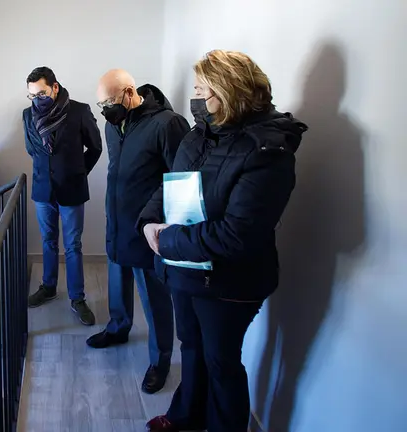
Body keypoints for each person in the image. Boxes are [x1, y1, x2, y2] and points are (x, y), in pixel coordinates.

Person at [139, 50, 308, 432]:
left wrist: (167, 243)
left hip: (230, 281)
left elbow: (238, 234)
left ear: (230, 91)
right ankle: (186, 415)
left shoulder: (269, 149)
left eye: (202, 88)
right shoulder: (200, 133)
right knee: (192, 348)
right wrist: (150, 220)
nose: (195, 97)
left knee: (221, 362)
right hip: (186, 268)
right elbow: (173, 182)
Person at [87, 70, 190, 394]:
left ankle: (160, 361)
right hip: (117, 220)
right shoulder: (111, 126)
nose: (105, 109)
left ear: (130, 93)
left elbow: (179, 179)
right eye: (101, 103)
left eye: (110, 102)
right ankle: (118, 327)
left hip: (148, 228)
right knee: (117, 279)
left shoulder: (167, 124)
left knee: (154, 297)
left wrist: (165, 227)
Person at [23, 66, 102, 325]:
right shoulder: (27, 115)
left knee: (73, 245)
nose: (37, 100)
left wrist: (78, 172)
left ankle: (77, 298)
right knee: (48, 240)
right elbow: (32, 149)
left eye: (42, 93)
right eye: (32, 95)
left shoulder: (78, 110)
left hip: (72, 188)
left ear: (55, 87)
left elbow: (95, 146)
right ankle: (48, 287)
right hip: (43, 189)